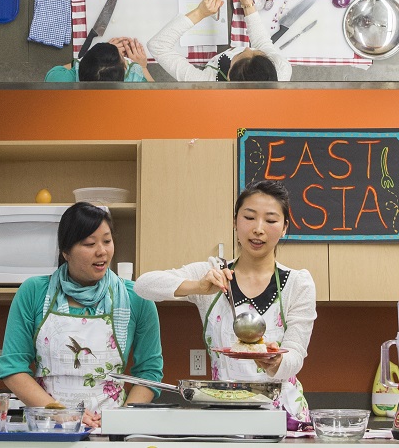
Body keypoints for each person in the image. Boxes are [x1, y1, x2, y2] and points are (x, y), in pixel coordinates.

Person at [134, 180, 315, 429]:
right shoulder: (211, 273)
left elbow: (295, 355)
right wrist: (198, 286)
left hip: (284, 418)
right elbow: (143, 285)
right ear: (234, 222)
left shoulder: (298, 284)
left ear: (284, 228)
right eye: (249, 217)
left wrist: (275, 362)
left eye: (271, 220)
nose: (258, 229)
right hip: (226, 417)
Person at [0, 202, 163, 428]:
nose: (102, 251)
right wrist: (61, 414)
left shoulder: (137, 298)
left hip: (110, 432)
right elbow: (13, 368)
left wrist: (121, 420)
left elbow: (149, 372)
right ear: (66, 252)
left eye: (107, 241)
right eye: (89, 243)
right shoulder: (34, 292)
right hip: (47, 428)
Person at [146, 0, 292, 82]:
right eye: (258, 53)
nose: (247, 48)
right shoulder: (281, 69)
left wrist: (200, 13)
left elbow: (158, 46)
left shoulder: (205, 83)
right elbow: (262, 42)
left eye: (239, 56)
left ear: (229, 76)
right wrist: (247, 3)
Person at [45, 37, 155, 82]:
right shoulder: (137, 82)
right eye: (122, 57)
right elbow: (155, 97)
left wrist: (102, 54)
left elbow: (67, 67)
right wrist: (143, 67)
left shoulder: (57, 80)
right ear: (125, 67)